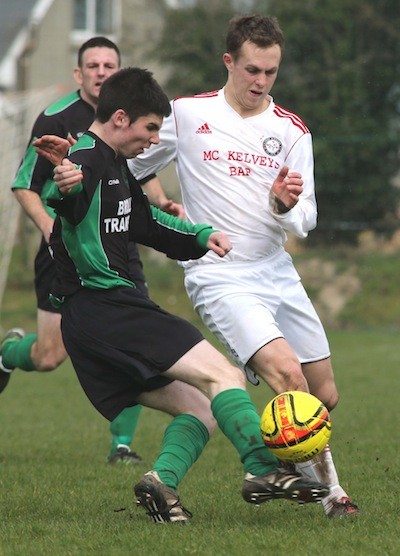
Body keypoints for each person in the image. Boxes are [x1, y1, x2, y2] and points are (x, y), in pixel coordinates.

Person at [37, 66, 329, 524]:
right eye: (151, 128)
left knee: (202, 409)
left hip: (92, 324)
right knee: (225, 376)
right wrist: (63, 184)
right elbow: (67, 199)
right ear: (119, 118)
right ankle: (263, 468)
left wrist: (199, 236)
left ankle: (161, 482)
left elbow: (148, 224)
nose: (155, 140)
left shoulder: (112, 164)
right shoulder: (87, 160)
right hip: (107, 308)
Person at [124, 14, 359, 518]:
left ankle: (272, 450)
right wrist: (152, 203)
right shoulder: (186, 115)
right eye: (252, 69)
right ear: (228, 61)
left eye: (270, 72)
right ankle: (334, 498)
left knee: (323, 396)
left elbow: (307, 220)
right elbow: (131, 163)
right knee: (288, 376)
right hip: (219, 272)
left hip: (276, 269)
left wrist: (282, 205)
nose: (260, 82)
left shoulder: (292, 132)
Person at [0, 36, 181, 465]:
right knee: (49, 356)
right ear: (79, 73)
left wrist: (160, 203)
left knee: (133, 339)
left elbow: (135, 170)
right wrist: (50, 229)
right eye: (93, 65)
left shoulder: (128, 118)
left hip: (117, 246)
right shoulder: (56, 117)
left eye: (110, 65)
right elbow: (25, 184)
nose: (102, 72)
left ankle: (122, 445)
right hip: (64, 252)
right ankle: (8, 353)